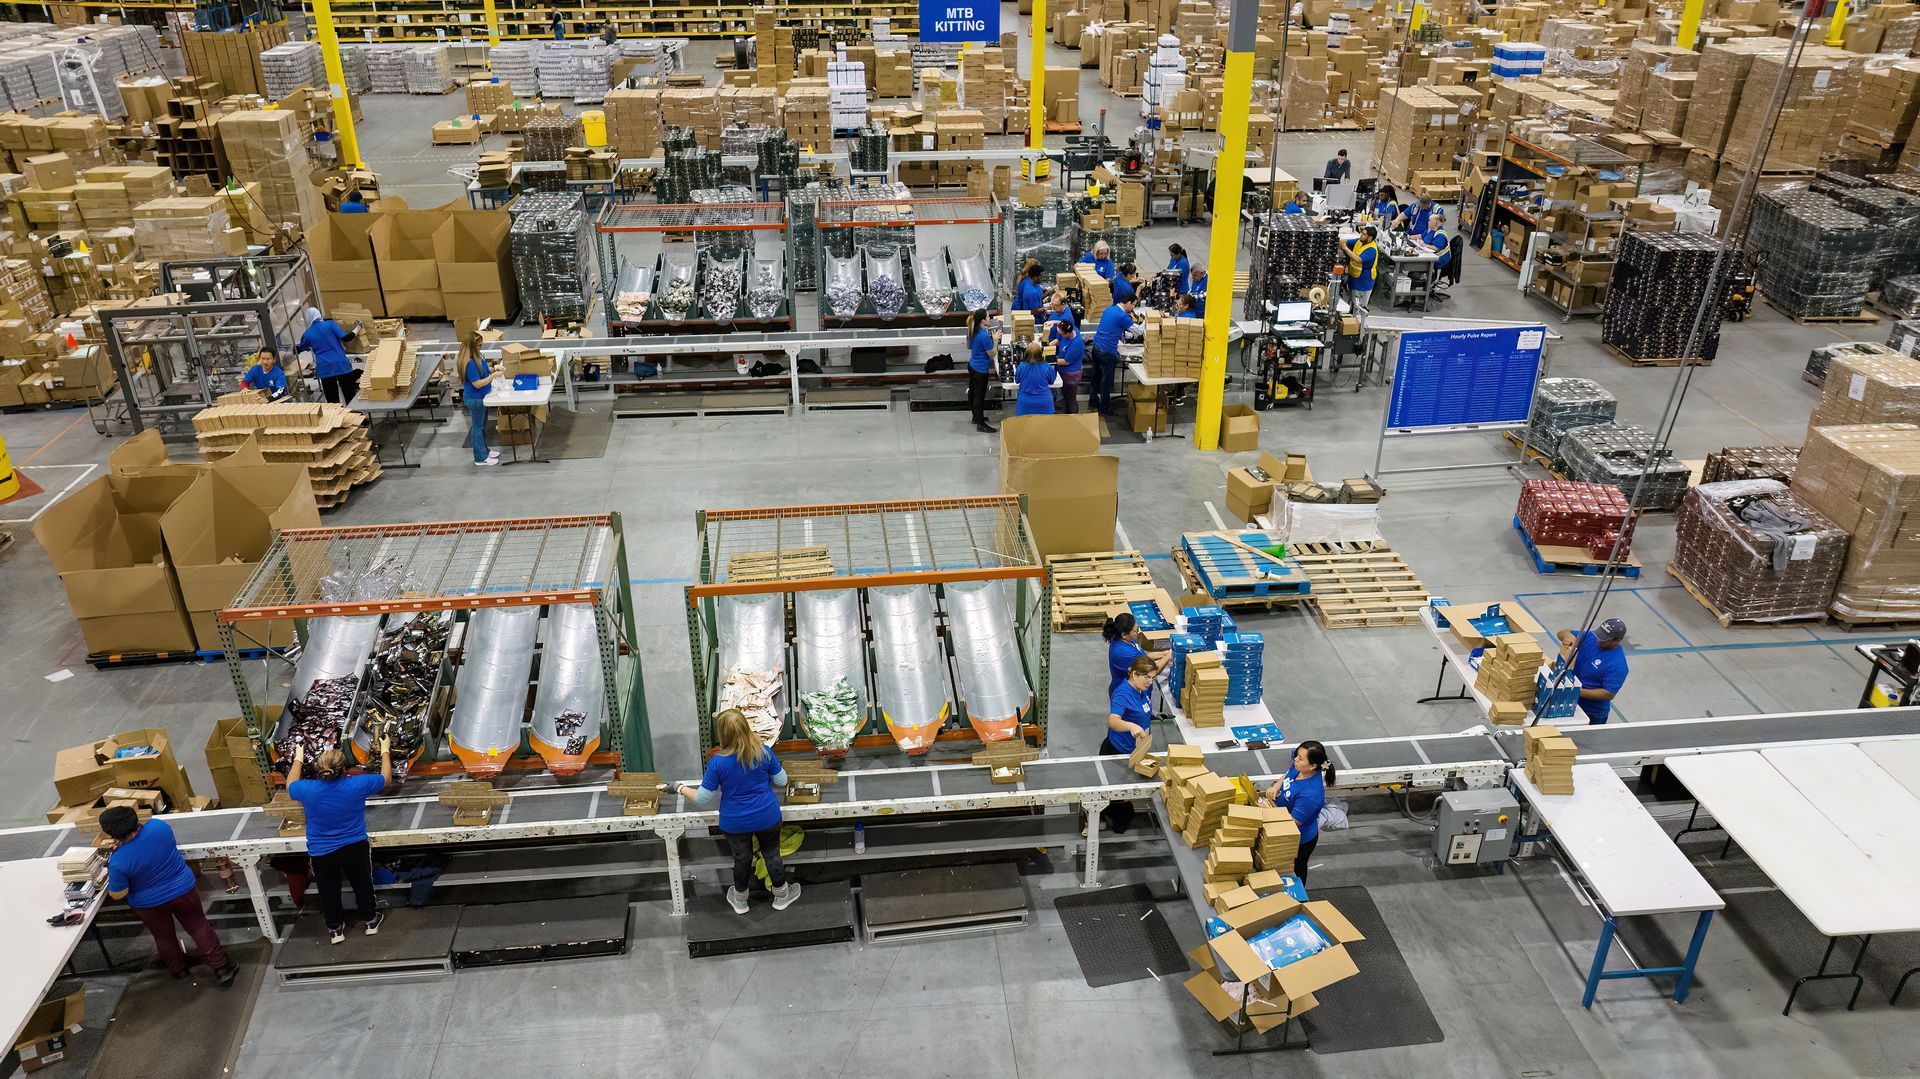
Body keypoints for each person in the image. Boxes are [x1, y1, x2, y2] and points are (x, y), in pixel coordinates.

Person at [677, 708, 801, 914]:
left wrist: (679, 788)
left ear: (722, 734)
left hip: (734, 823)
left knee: (742, 858)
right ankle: (781, 896)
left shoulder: (717, 763)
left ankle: (741, 901)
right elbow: (782, 781)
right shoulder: (764, 752)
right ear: (746, 727)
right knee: (772, 855)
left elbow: (703, 797)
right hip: (767, 817)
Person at [103, 806, 239, 986]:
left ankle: (179, 971)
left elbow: (118, 894)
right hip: (182, 890)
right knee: (198, 926)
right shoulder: (159, 827)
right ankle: (222, 968)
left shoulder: (118, 861)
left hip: (149, 904)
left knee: (163, 936)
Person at [288, 738, 393, 944]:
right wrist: (385, 751)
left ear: (319, 768)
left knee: (328, 890)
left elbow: (290, 783)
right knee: (362, 884)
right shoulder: (357, 784)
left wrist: (298, 759)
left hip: (322, 852)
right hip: (355, 847)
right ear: (345, 769)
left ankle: (335, 929)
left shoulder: (307, 789)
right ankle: (371, 921)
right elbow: (386, 778)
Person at [1098, 656, 1156, 832]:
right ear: (1135, 674)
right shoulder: (1123, 694)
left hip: (1134, 751)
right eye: (1147, 677)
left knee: (1125, 793)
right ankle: (1102, 816)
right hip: (1116, 753)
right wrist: (1130, 725)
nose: (1150, 681)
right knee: (1114, 795)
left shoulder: (1141, 689)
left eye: (1153, 677)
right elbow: (1113, 721)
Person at [1263, 741, 1333, 882]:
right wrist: (1276, 786)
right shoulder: (1300, 767)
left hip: (1299, 841)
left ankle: (1299, 898)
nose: (1295, 759)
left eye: (1300, 758)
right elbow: (1288, 774)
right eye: (1297, 755)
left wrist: (1268, 812)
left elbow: (1293, 822)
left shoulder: (1311, 795)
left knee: (1296, 870)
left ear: (1313, 766)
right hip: (1279, 818)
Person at [1557, 618, 1629, 724]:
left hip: (1591, 713)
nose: (1599, 640)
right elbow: (1562, 633)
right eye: (1600, 635)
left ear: (1616, 640)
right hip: (1569, 701)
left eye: (1605, 639)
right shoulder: (1591, 637)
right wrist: (1568, 638)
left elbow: (1608, 694)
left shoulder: (1618, 664)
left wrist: (1575, 691)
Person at [301, 306, 359, 404]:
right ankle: (355, 417)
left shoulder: (307, 333)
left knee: (332, 401)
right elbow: (346, 338)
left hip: (325, 368)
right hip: (340, 364)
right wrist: (357, 328)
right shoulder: (330, 324)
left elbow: (301, 347)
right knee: (350, 395)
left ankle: (336, 418)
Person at [1102, 611, 1169, 695]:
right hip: (1129, 696)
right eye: (1134, 631)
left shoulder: (1126, 639)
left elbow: (1142, 656)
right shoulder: (1124, 653)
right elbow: (1152, 672)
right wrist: (1169, 656)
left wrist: (1163, 654)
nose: (1137, 632)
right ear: (1124, 634)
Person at [1089, 293, 1136, 415]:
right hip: (1107, 352)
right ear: (1129, 303)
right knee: (1106, 382)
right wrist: (1150, 323)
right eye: (1134, 305)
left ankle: (1092, 402)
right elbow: (1138, 331)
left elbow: (1112, 327)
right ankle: (1105, 409)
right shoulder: (1122, 315)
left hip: (1096, 347)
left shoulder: (1110, 309)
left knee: (1095, 378)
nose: (1133, 308)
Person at [462, 331, 500, 466]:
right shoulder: (470, 363)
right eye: (479, 345)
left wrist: (494, 368)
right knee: (477, 428)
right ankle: (480, 458)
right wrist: (493, 376)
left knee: (482, 426)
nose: (481, 347)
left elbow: (484, 369)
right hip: (475, 398)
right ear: (472, 346)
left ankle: (485, 450)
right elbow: (477, 384)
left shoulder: (478, 356)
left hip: (481, 397)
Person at [965, 308, 996, 434]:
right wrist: (995, 340)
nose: (989, 319)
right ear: (983, 320)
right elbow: (992, 354)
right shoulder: (983, 336)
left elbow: (969, 346)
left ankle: (976, 417)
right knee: (979, 396)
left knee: (973, 392)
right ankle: (980, 424)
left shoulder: (973, 330)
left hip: (972, 365)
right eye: (988, 317)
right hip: (980, 370)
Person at [1013, 341, 1056, 416]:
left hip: (1025, 403)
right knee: (1045, 426)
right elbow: (1051, 382)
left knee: (1025, 426)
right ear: (1040, 353)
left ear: (1026, 353)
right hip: (1044, 402)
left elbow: (1017, 381)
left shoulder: (1021, 367)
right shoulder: (1047, 367)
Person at [1343, 224, 1379, 315]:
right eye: (1361, 233)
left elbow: (1358, 260)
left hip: (1363, 283)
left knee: (1359, 308)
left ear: (1370, 237)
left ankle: (1359, 326)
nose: (1361, 235)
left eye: (1364, 234)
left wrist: (1345, 249)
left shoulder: (1371, 250)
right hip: (1354, 279)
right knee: (1352, 305)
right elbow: (1345, 242)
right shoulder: (1359, 241)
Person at [1053, 317, 1085, 413]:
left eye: (1061, 334)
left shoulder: (1076, 343)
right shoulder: (1072, 328)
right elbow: (1063, 323)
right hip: (1063, 372)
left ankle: (1073, 416)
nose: (1060, 336)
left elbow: (1066, 361)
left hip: (1071, 375)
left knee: (1070, 398)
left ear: (1068, 333)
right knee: (1065, 396)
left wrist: (1051, 360)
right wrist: (1053, 322)